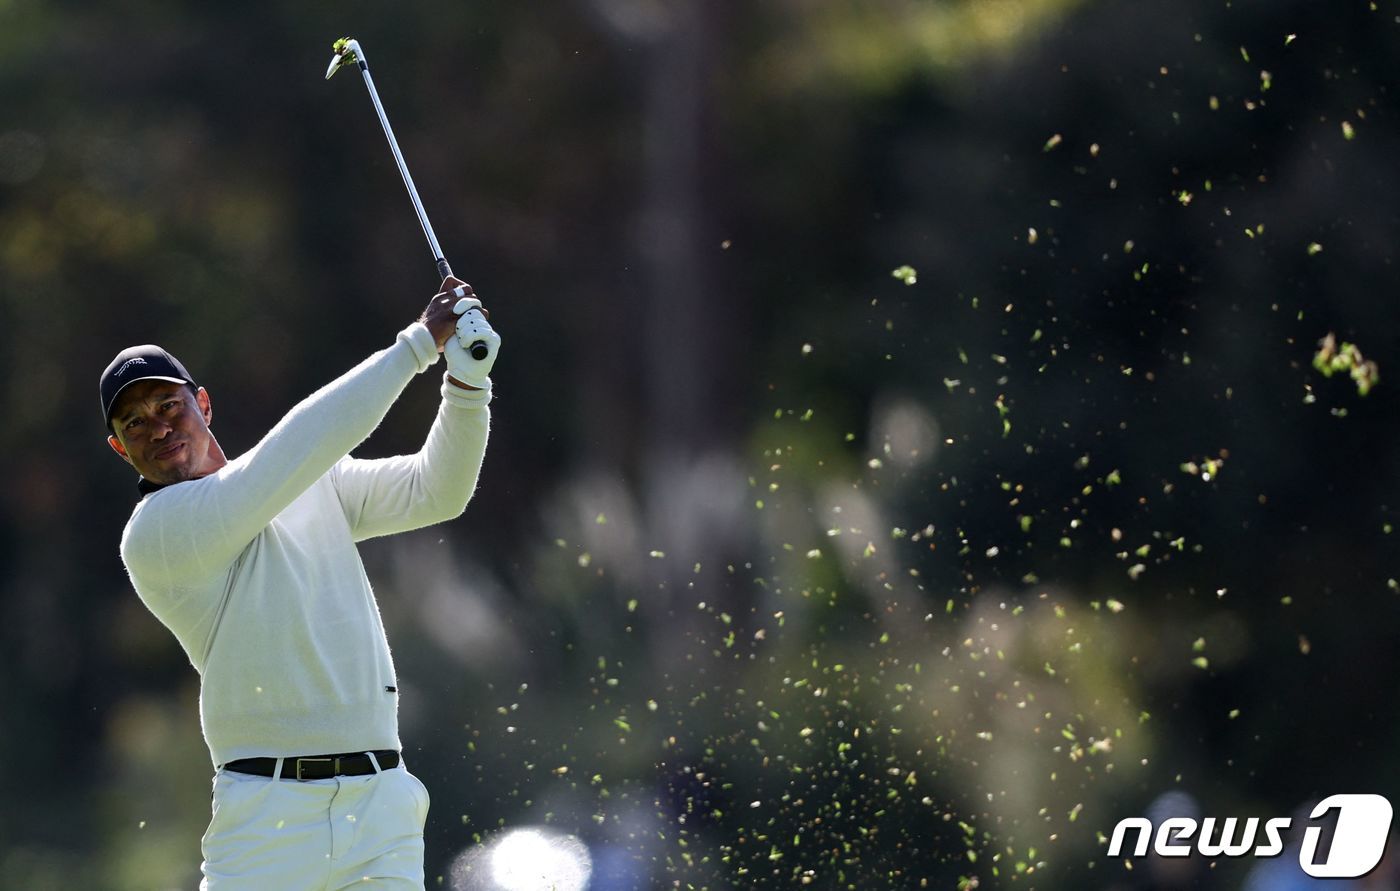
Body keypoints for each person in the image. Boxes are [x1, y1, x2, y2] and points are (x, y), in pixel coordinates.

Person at [100, 277, 500, 889]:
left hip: (379, 808)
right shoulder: (155, 534)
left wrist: (467, 386)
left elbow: (436, 490)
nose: (156, 427)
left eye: (168, 406)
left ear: (202, 405)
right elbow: (290, 455)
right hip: (266, 822)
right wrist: (418, 345)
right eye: (134, 423)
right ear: (120, 449)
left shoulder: (307, 479)